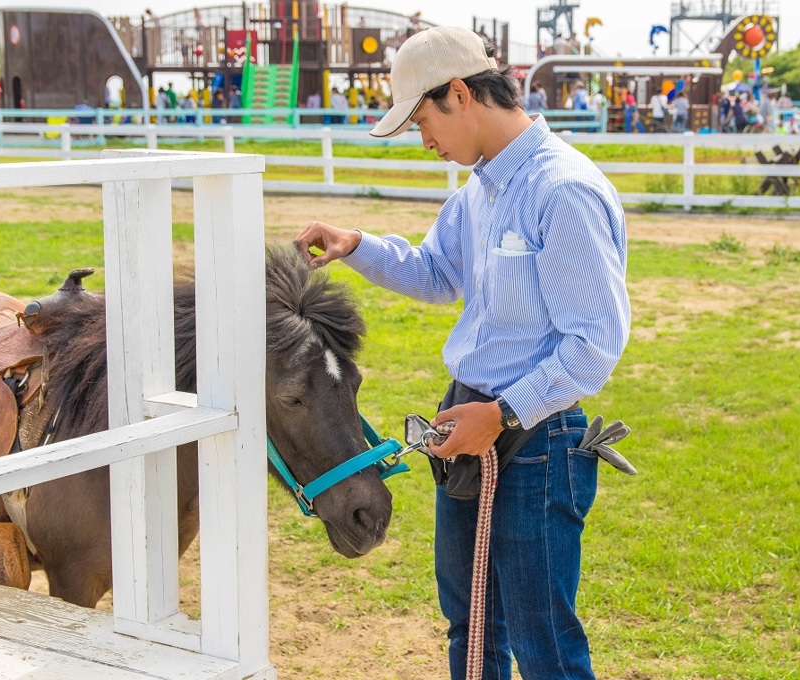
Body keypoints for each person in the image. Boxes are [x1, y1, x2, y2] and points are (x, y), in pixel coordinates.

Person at [293, 26, 629, 680]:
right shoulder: (480, 189)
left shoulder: (562, 191)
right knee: (470, 624)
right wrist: (356, 244)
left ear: (459, 94)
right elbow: (437, 272)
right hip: (471, 422)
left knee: (543, 643)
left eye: (423, 120)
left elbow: (594, 346)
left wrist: (500, 415)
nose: (424, 141)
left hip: (533, 437)